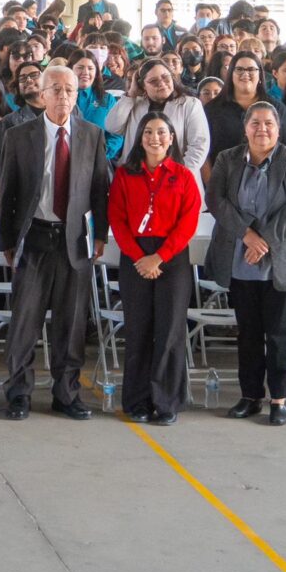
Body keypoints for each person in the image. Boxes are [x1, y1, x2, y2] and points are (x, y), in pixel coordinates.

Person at [0, 63, 108, 421]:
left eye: (70, 90)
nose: (63, 96)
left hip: (75, 240)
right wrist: (7, 240)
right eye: (55, 89)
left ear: (78, 95)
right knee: (25, 320)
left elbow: (100, 189)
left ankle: (67, 393)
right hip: (35, 237)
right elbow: (7, 192)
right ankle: (18, 393)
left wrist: (101, 235)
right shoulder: (19, 135)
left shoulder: (91, 134)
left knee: (71, 323)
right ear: (41, 95)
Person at [204, 102, 286, 425]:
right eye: (255, 123)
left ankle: (278, 399)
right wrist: (247, 236)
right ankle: (250, 395)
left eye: (269, 123)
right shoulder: (227, 159)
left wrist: (263, 239)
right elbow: (217, 201)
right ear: (245, 127)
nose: (262, 129)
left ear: (279, 129)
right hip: (241, 258)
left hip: (280, 259)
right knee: (248, 333)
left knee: (280, 333)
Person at [106, 111, 202, 426]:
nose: (155, 138)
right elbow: (117, 219)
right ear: (140, 138)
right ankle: (137, 401)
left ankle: (167, 402)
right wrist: (139, 257)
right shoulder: (125, 174)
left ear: (172, 138)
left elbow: (188, 222)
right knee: (138, 330)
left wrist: (159, 257)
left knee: (170, 331)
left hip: (171, 259)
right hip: (135, 256)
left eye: (162, 132)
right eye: (148, 132)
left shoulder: (183, 176)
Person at [103, 57, 209, 183]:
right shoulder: (135, 103)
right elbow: (112, 126)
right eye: (153, 81)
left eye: (165, 77)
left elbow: (199, 145)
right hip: (138, 178)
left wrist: (180, 175)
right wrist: (131, 94)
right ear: (142, 85)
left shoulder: (190, 104)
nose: (162, 83)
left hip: (178, 180)